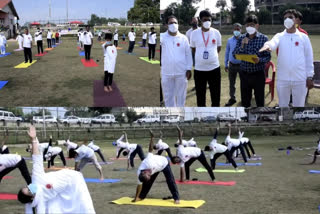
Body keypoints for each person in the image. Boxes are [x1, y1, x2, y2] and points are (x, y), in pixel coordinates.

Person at [17, 126, 96, 214]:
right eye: (28, 191)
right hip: (63, 191)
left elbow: (37, 159)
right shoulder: (41, 202)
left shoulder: (36, 179)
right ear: (32, 198)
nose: (29, 187)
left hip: (74, 179)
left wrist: (33, 139)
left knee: (85, 206)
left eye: (27, 187)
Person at [259, 9, 314, 107]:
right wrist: (267, 46)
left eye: (290, 17)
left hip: (300, 79)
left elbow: (309, 58)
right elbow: (272, 43)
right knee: (283, 106)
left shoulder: (303, 37)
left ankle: (297, 121)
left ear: (296, 20)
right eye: (285, 18)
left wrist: (309, 76)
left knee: (299, 106)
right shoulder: (279, 36)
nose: (287, 20)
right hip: (283, 79)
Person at [132, 129, 180, 204]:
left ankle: (176, 198)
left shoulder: (148, 162)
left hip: (164, 163)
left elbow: (150, 149)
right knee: (147, 183)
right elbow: (139, 186)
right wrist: (136, 197)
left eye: (148, 175)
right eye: (149, 176)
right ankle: (141, 197)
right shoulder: (140, 175)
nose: (150, 175)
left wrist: (152, 138)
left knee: (170, 180)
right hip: (156, 168)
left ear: (144, 172)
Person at [233, 15, 271, 107]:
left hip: (258, 74)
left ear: (257, 25)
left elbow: (268, 57)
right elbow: (234, 54)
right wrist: (242, 45)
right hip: (244, 74)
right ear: (245, 26)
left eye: (252, 25)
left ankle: (260, 118)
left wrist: (259, 60)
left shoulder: (263, 38)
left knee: (260, 100)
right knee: (245, 101)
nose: (250, 27)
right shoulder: (241, 38)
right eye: (248, 25)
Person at [190, 10, 222, 107]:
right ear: (200, 21)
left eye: (209, 20)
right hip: (199, 70)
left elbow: (218, 48)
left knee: (216, 97)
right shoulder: (194, 34)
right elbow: (193, 48)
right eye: (205, 20)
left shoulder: (216, 33)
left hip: (214, 68)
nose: (207, 22)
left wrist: (211, 57)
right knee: (200, 97)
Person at [161, 15, 192, 107]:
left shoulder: (183, 38)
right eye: (171, 23)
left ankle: (180, 114)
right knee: (168, 97)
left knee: (181, 96)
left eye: (175, 23)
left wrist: (189, 68)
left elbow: (188, 54)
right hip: (167, 73)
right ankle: (170, 114)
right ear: (166, 25)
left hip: (181, 72)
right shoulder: (162, 37)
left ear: (178, 24)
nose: (173, 24)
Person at [224, 23, 242, 107]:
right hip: (231, 65)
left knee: (244, 83)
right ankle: (232, 98)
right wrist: (225, 64)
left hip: (242, 65)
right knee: (232, 83)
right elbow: (227, 52)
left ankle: (244, 98)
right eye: (235, 29)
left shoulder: (244, 39)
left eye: (238, 29)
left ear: (241, 30)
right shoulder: (229, 40)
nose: (236, 31)